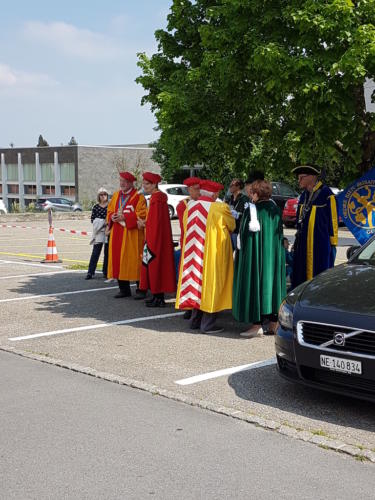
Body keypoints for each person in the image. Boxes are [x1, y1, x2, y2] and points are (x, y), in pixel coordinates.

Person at [176, 180, 235, 334]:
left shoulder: (190, 207)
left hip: (193, 254)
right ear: (214, 194)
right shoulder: (220, 208)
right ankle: (208, 325)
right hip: (212, 253)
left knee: (196, 285)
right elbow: (232, 225)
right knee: (212, 285)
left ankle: (195, 321)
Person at [233, 179, 286, 337]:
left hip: (257, 257)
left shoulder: (253, 210)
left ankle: (257, 325)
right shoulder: (275, 209)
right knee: (272, 286)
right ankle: (273, 323)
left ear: (256, 194)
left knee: (257, 284)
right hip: (273, 256)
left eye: (251, 192)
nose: (250, 195)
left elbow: (245, 239)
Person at [291, 165, 338, 289]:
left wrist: (333, 244)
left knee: (319, 275)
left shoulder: (327, 195)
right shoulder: (303, 196)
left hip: (319, 245)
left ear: (311, 177)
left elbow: (333, 221)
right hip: (302, 244)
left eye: (301, 178)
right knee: (300, 275)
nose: (299, 181)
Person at [137, 172, 176, 307]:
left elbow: (155, 223)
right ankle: (156, 295)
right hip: (154, 237)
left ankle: (158, 297)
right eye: (144, 183)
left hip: (155, 239)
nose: (144, 186)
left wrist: (144, 224)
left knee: (155, 266)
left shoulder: (157, 198)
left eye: (147, 184)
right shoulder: (156, 197)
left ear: (154, 184)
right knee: (153, 266)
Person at [106, 172, 147, 298]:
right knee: (118, 260)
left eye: (124, 181)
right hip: (117, 232)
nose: (122, 183)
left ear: (130, 183)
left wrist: (125, 216)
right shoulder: (116, 195)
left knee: (135, 260)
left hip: (132, 234)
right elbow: (110, 210)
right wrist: (112, 216)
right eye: (120, 181)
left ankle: (141, 289)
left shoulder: (138, 197)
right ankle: (124, 289)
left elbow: (143, 214)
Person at [176, 177, 201, 320]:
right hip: (187, 244)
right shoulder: (183, 205)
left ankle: (196, 306)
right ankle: (188, 306)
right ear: (189, 190)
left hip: (199, 244)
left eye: (199, 188)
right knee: (187, 276)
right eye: (195, 189)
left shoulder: (205, 203)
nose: (198, 191)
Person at [86, 187, 109, 280]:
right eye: (101, 194)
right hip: (99, 232)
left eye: (105, 194)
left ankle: (106, 271)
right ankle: (90, 272)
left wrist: (105, 223)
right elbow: (93, 220)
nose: (103, 196)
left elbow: (111, 218)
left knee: (107, 253)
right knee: (95, 252)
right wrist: (103, 222)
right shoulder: (95, 207)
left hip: (108, 231)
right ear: (98, 196)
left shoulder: (110, 205)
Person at [228, 178, 248, 249]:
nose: (230, 186)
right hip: (230, 230)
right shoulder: (230, 199)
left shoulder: (244, 199)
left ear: (238, 187)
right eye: (230, 185)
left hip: (238, 230)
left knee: (238, 251)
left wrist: (238, 215)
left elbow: (247, 215)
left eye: (232, 185)